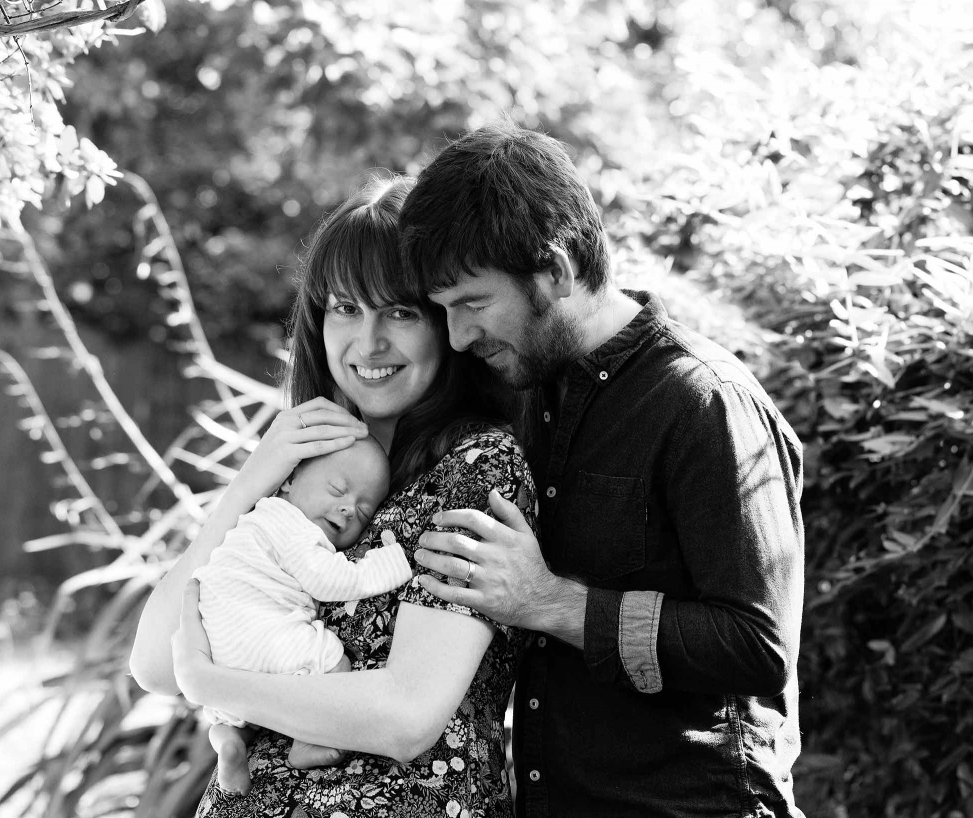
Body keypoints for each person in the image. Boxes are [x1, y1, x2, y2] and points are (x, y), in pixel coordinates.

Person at [399, 123, 806, 817]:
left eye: (472, 303)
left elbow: (756, 644)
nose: (460, 336)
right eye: (444, 311)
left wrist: (550, 602)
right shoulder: (523, 392)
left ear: (555, 271)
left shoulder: (705, 401)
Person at [128, 175, 537, 818]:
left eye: (400, 312)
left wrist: (211, 683)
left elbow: (406, 716)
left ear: (449, 324)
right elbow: (154, 661)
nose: (368, 342)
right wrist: (251, 482)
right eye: (345, 307)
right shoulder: (304, 464)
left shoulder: (476, 469)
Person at [193, 436, 410, 793]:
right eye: (337, 489)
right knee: (332, 663)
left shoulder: (256, 519)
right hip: (259, 631)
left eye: (363, 511)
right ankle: (307, 741)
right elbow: (331, 581)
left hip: (221, 644)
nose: (348, 509)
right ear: (289, 480)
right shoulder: (291, 525)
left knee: (230, 717)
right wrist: (390, 564)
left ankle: (228, 742)